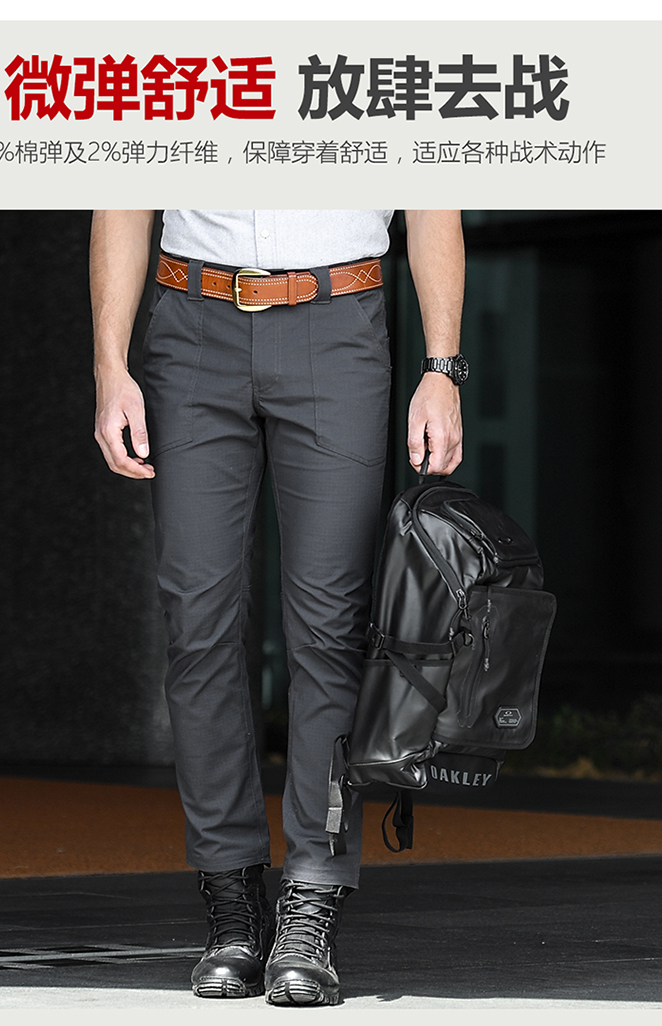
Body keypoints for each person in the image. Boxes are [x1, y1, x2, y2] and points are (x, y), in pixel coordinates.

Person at [90, 210, 464, 1006]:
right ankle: (232, 904)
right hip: (191, 329)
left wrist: (442, 369)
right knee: (198, 627)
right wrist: (110, 366)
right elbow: (122, 198)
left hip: (337, 325)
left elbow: (435, 200)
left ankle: (312, 900)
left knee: (329, 631)